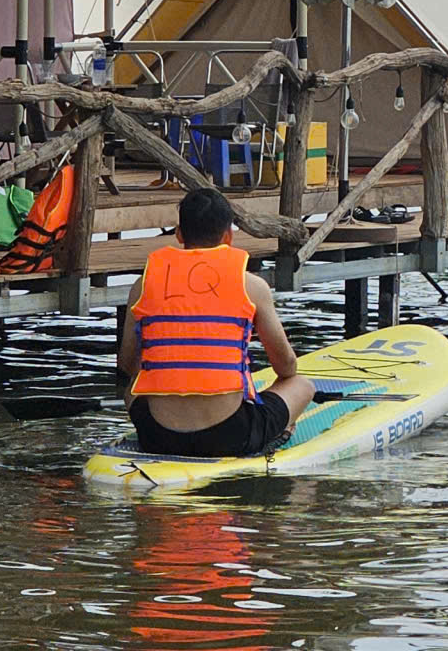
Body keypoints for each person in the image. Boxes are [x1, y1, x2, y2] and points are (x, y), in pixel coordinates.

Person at [117, 187, 315, 458]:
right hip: (229, 435)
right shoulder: (252, 286)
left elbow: (128, 364)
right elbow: (286, 366)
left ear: (179, 234)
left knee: (132, 388)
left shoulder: (142, 286)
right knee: (303, 385)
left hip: (158, 436)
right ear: (228, 236)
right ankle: (281, 429)